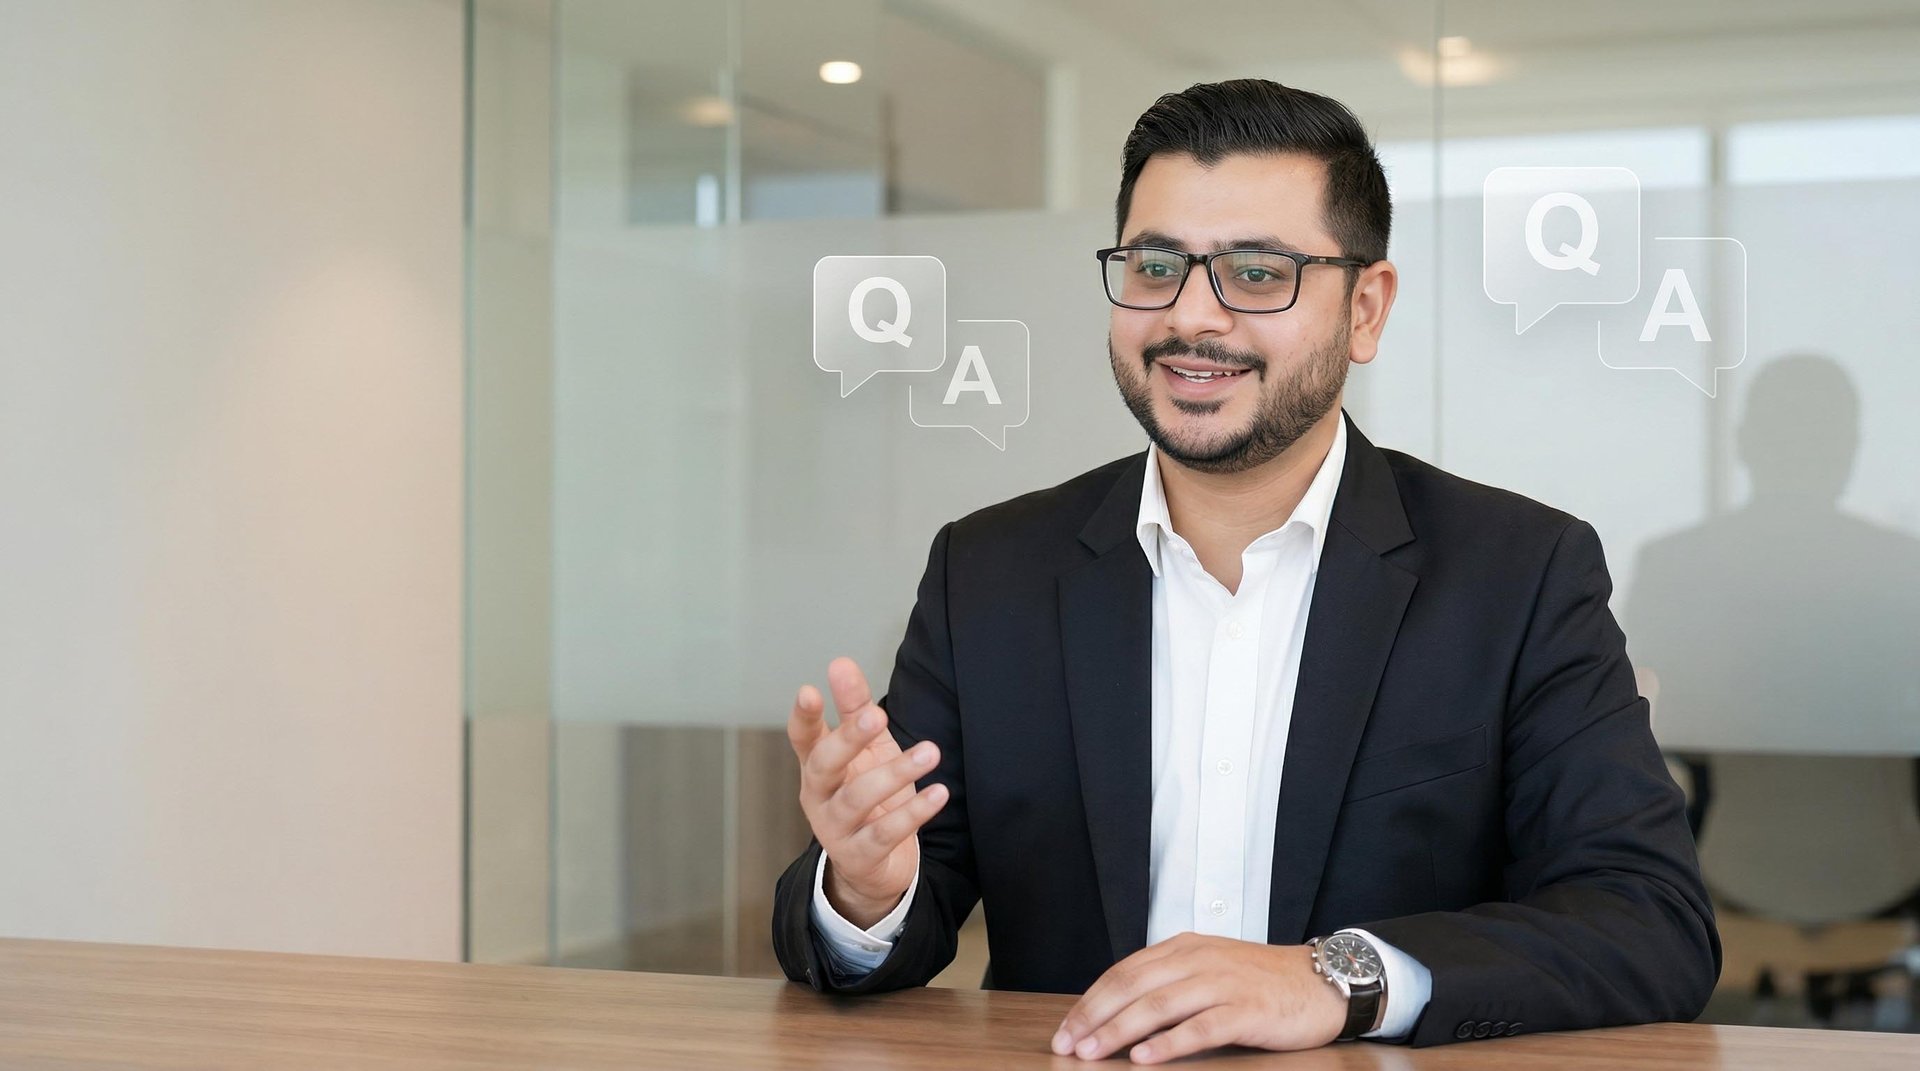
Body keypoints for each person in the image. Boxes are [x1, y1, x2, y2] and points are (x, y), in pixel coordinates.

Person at [772, 79, 1720, 1062]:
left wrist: (1337, 977)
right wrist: (867, 890)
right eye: (1155, 267)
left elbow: (1648, 921)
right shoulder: (990, 572)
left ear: (1365, 308)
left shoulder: (1517, 574)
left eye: (1258, 274)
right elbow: (900, 902)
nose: (1192, 317)